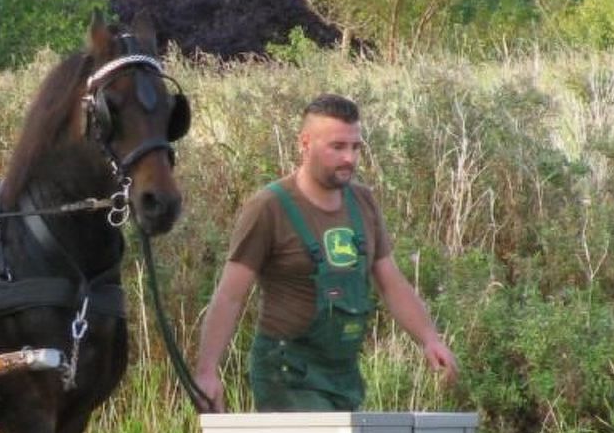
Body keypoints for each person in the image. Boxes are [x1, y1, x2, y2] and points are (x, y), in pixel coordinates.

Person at [192, 93, 458, 412]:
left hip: (343, 374)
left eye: (355, 147)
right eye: (337, 147)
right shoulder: (269, 207)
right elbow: (229, 296)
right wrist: (207, 371)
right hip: (287, 374)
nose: (349, 158)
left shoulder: (363, 202)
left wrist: (430, 338)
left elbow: (392, 283)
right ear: (305, 144)